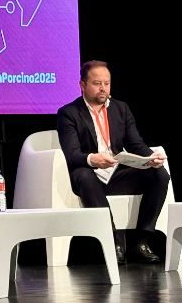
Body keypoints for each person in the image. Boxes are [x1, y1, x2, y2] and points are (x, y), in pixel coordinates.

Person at [56, 60, 170, 264]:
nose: (103, 88)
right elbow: (71, 154)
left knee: (159, 174)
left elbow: (135, 143)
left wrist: (150, 157)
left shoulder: (120, 108)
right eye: (97, 83)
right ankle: (113, 242)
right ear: (82, 85)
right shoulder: (69, 113)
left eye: (106, 83)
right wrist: (93, 159)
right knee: (83, 175)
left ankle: (141, 241)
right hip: (89, 176)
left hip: (115, 173)